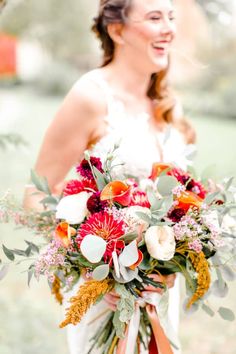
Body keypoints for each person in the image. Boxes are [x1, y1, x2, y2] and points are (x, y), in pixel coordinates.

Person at [24, 0, 196, 353]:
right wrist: (91, 263)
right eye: (154, 17)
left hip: (161, 295)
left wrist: (175, 256)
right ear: (116, 29)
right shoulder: (90, 96)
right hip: (105, 300)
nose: (169, 28)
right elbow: (35, 193)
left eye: (171, 17)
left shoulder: (165, 102)